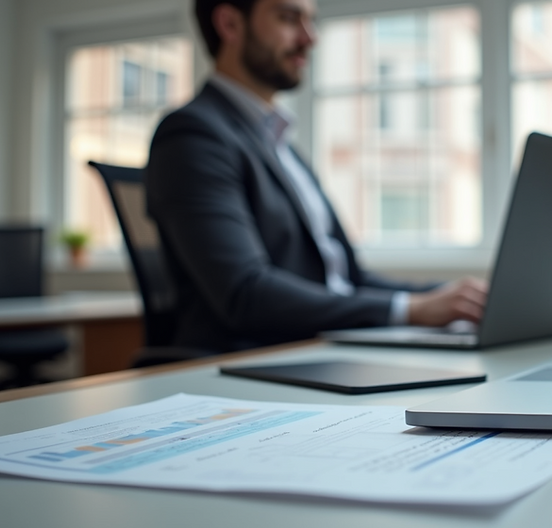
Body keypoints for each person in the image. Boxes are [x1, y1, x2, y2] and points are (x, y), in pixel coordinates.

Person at [145, 0, 488, 353]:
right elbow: (244, 292)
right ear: (230, 24)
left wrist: (455, 298)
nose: (311, 38)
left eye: (311, 21)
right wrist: (410, 310)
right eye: (289, 18)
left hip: (321, 349)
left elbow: (348, 280)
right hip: (249, 362)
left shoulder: (280, 146)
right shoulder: (192, 134)